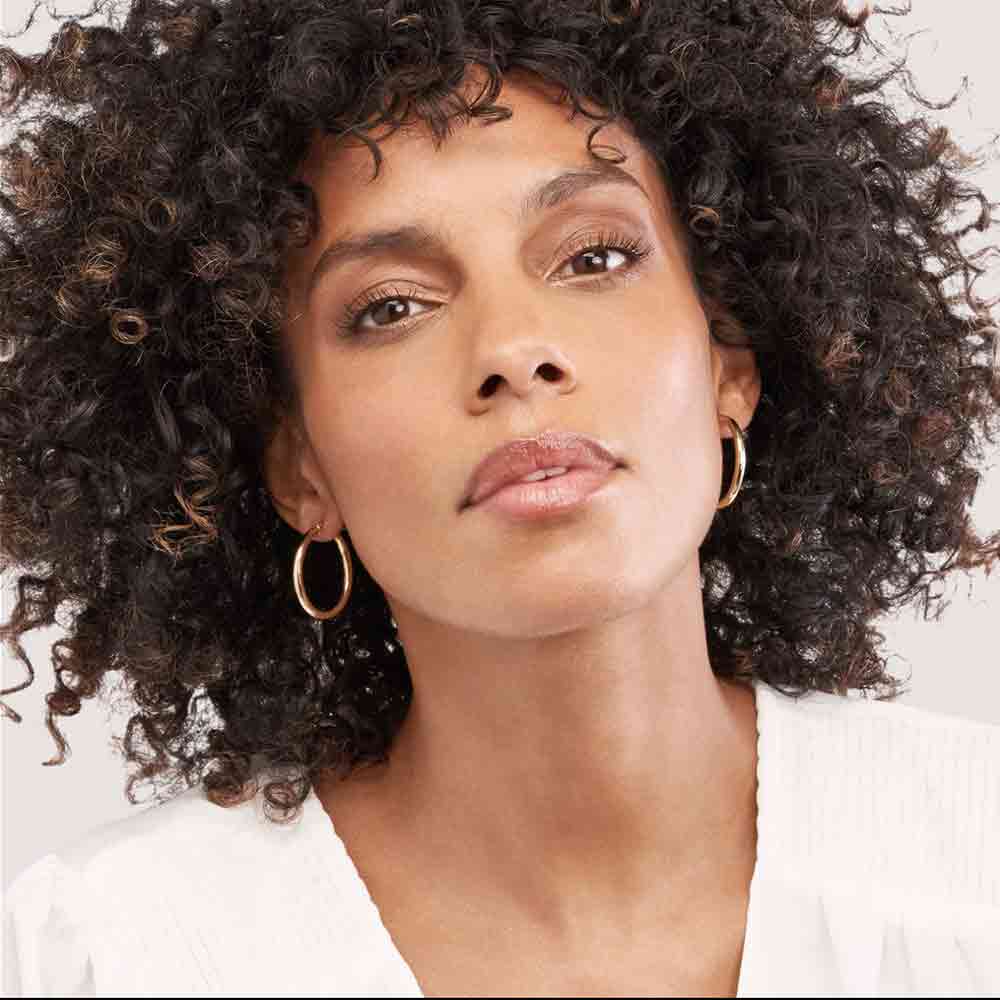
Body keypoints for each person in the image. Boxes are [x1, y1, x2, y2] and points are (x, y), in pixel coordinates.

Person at [2, 0, 998, 996]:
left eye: (594, 256)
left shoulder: (973, 868)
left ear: (727, 366)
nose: (514, 350)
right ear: (300, 468)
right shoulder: (109, 956)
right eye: (392, 307)